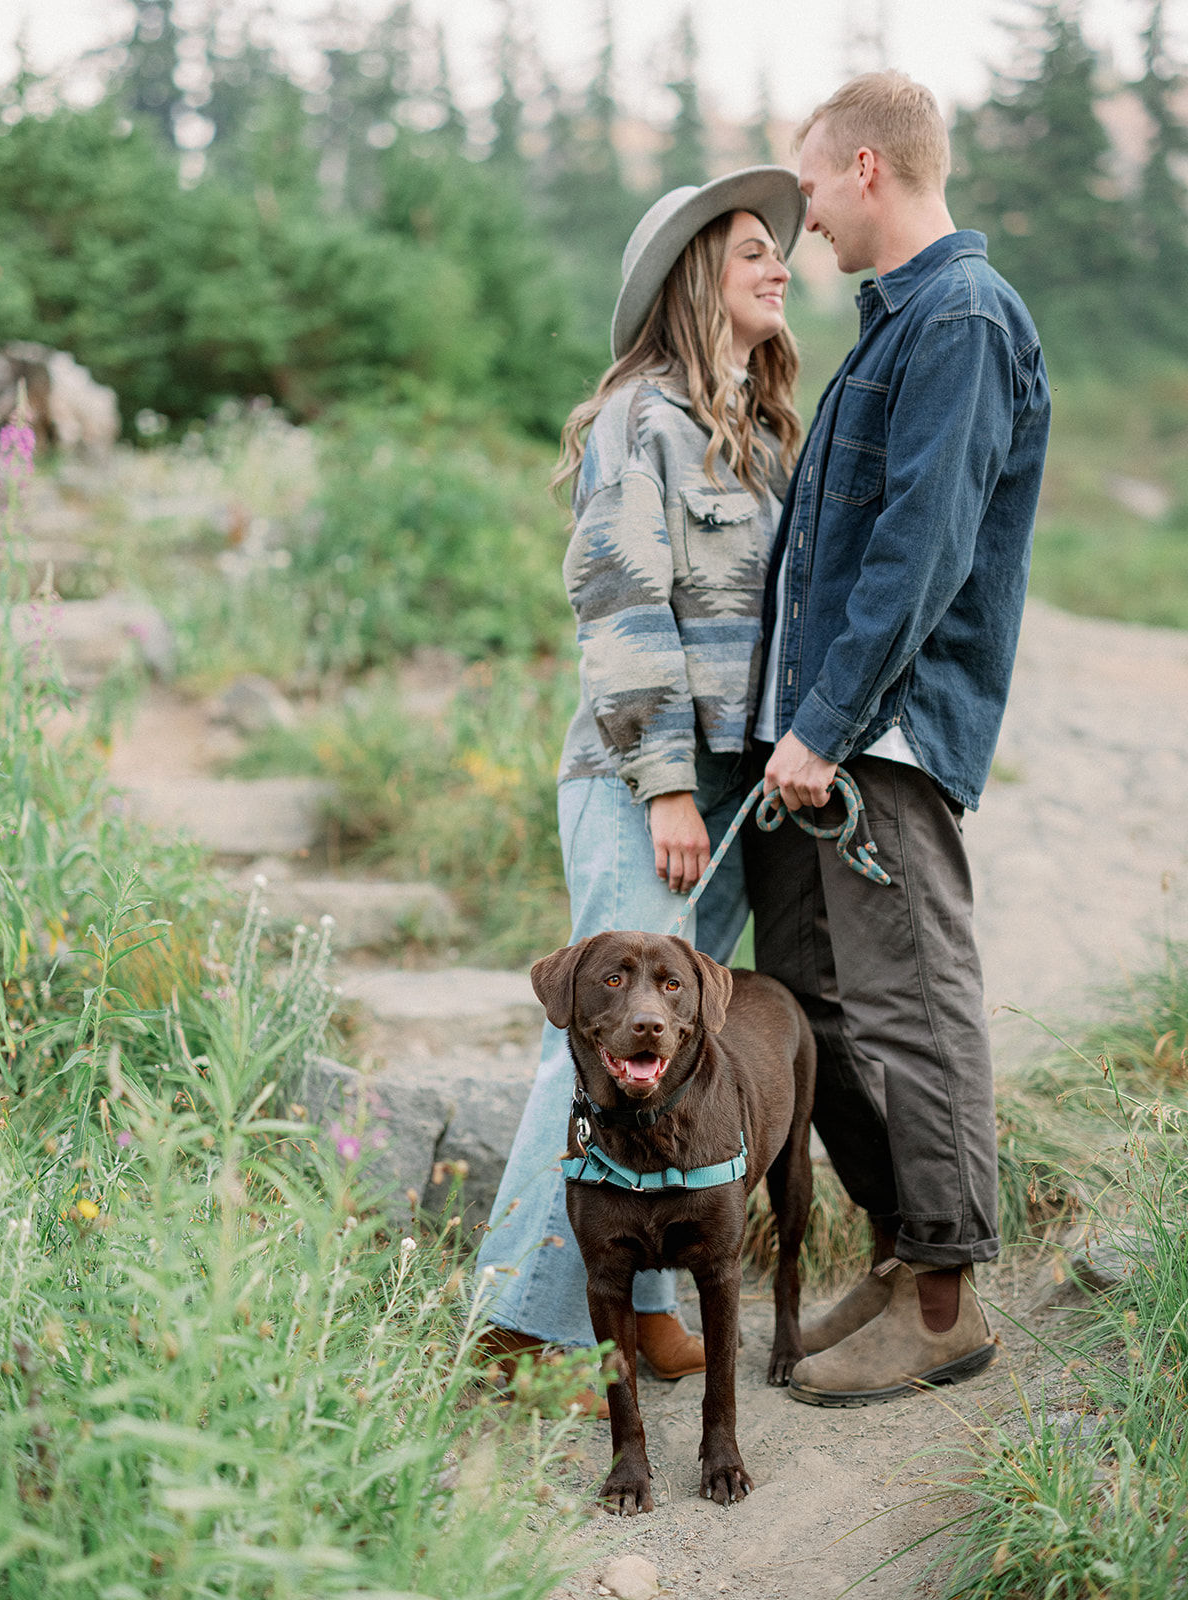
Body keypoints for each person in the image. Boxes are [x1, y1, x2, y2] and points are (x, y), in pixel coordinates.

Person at [742, 71, 1051, 1407]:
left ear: (866, 169)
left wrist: (822, 723)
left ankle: (944, 1300)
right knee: (811, 1002)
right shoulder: (891, 327)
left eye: (805, 186)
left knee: (912, 1006)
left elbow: (919, 552)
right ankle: (901, 1248)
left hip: (883, 737)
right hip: (825, 741)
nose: (800, 220)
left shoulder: (963, 319)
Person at [478, 167, 807, 1410]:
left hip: (726, 781)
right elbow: (619, 602)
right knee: (598, 1034)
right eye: (747, 255)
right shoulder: (643, 415)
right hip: (642, 779)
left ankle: (648, 1305)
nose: (779, 266)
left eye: (780, 250)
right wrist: (667, 783)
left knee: (668, 1052)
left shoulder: (759, 427)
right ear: (690, 282)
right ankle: (519, 1311)